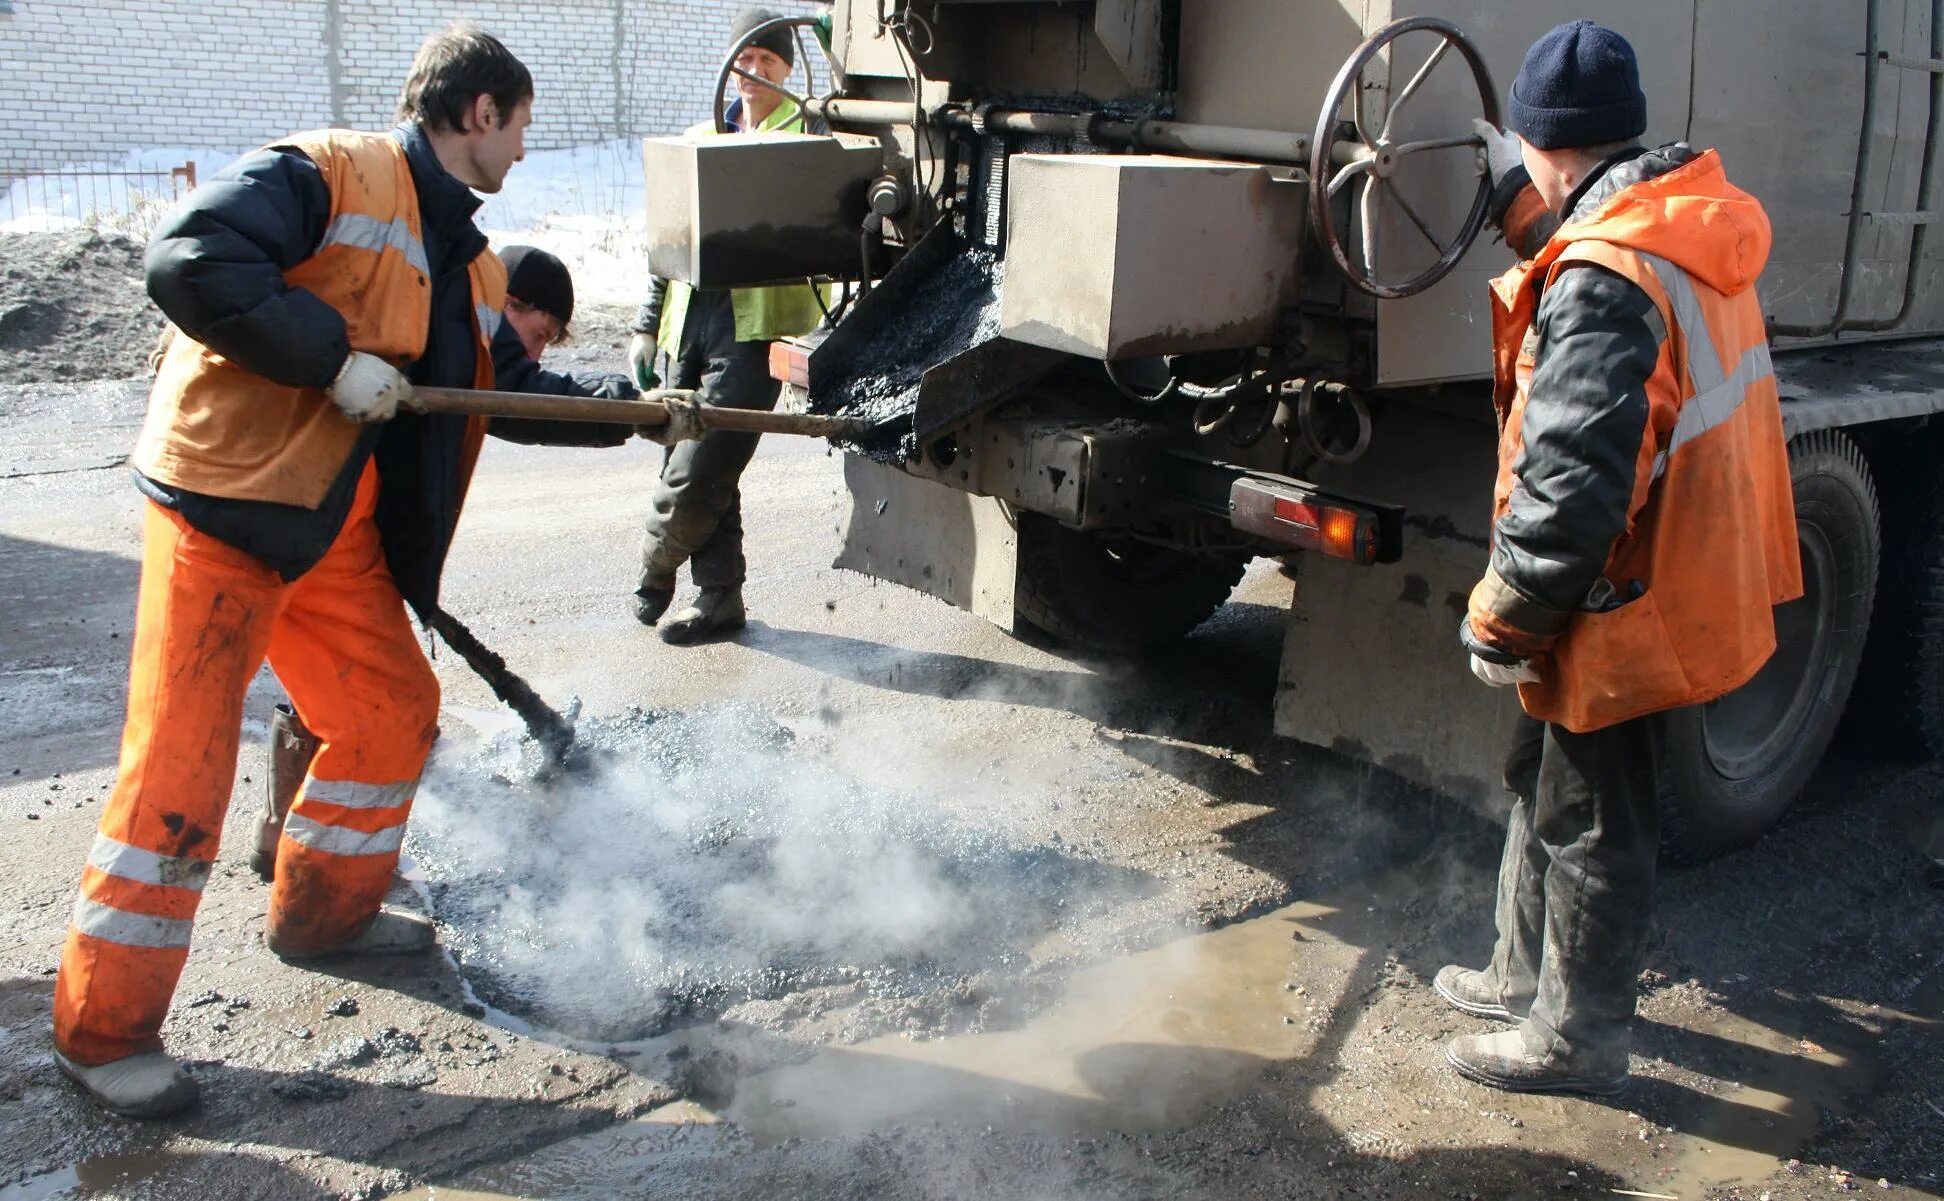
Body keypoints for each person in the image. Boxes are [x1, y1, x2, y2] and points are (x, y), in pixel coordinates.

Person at [51, 25, 557, 1119]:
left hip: (333, 526)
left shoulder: (470, 261)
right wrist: (330, 358)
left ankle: (322, 916)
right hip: (229, 510)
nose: (523, 150)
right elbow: (191, 257)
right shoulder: (327, 174)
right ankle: (103, 1033)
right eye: (520, 127)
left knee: (389, 711)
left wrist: (649, 410)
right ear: (480, 112)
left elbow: (510, 387)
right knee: (181, 771)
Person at [1444, 20, 1801, 1095]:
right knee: (1538, 774)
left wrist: (1501, 620)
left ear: (1550, 144)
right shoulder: (1669, 220)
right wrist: (1515, 195)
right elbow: (1579, 258)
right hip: (1673, 560)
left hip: (1629, 589)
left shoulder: (1607, 279)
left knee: (1591, 812)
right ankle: (1519, 976)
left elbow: (1573, 491)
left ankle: (1575, 1037)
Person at [245, 244, 637, 888]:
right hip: (306, 498)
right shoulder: (462, 308)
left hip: (314, 498)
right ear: (511, 304)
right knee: (383, 695)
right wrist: (627, 407)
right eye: (537, 334)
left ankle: (282, 837)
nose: (535, 352)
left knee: (325, 674)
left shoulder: (442, 297)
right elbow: (511, 391)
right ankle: (328, 875)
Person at [625, 5, 826, 644]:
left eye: (767, 61)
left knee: (701, 464)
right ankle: (720, 602)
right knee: (704, 464)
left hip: (756, 327)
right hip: (692, 321)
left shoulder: (808, 139)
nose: (752, 73)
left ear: (787, 70)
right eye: (745, 60)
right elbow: (667, 246)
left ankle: (653, 573)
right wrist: (644, 328)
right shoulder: (700, 137)